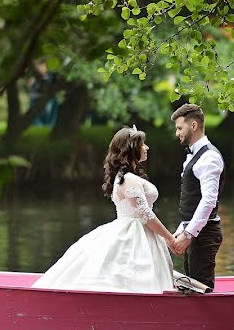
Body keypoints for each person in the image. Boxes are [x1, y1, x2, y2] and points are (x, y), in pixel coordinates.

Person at [32, 126, 177, 293]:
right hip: (135, 232)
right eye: (142, 144)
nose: (147, 147)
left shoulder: (125, 178)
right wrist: (170, 238)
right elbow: (146, 215)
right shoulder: (128, 179)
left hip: (140, 230)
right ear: (131, 149)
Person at [171, 104, 225, 291]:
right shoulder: (193, 156)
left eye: (179, 128)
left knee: (200, 292)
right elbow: (191, 201)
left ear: (193, 126)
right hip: (195, 233)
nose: (177, 133)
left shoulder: (209, 157)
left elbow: (209, 201)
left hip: (205, 234)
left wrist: (188, 234)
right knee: (191, 289)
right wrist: (181, 232)